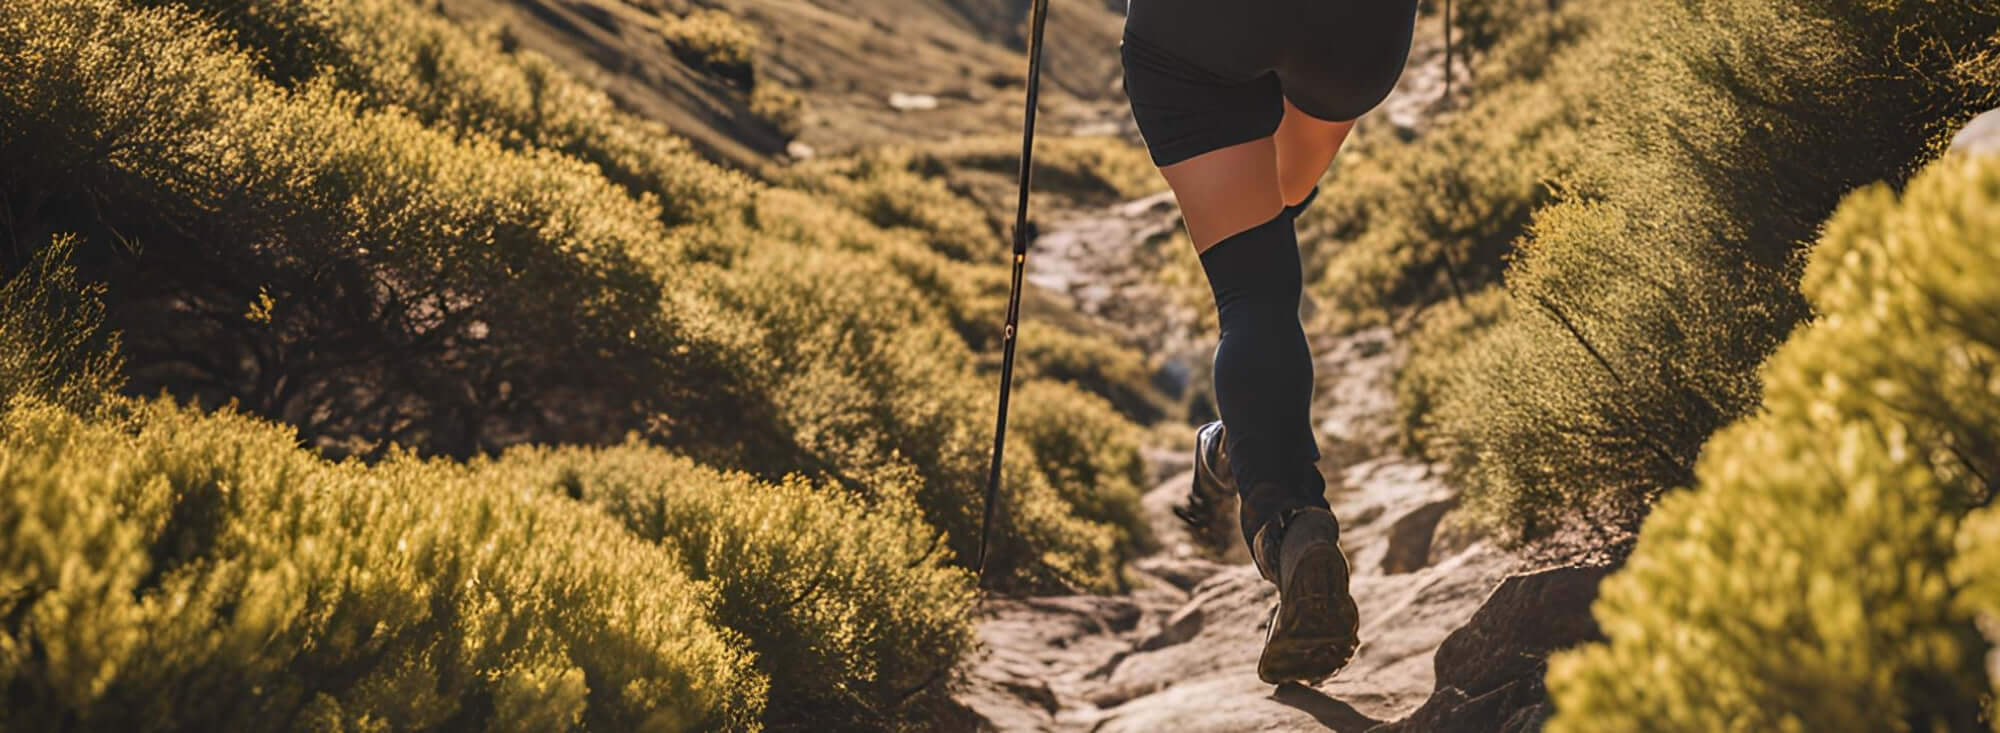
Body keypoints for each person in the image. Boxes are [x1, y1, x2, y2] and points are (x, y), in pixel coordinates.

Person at [1118, 0, 1420, 684]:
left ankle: (1286, 515)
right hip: (1356, 34)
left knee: (1252, 284)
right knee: (1276, 197)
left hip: (1198, 28)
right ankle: (1248, 439)